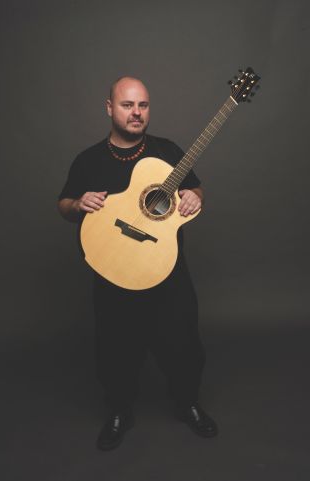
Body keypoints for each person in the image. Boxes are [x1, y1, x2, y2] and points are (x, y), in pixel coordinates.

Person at [58, 76, 218, 450]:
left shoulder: (168, 151)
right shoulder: (88, 160)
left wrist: (194, 198)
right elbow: (63, 206)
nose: (136, 113)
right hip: (113, 271)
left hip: (167, 270)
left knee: (183, 343)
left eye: (142, 105)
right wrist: (78, 204)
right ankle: (118, 410)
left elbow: (194, 188)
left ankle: (187, 403)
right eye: (127, 105)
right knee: (115, 347)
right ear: (110, 108)